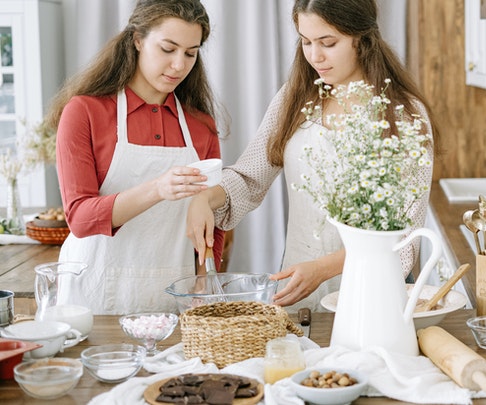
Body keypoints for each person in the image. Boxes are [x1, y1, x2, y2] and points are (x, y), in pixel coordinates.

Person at [186, 0, 440, 313]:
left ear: (362, 38)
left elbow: (403, 239)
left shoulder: (405, 115)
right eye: (306, 42)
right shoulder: (295, 97)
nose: (315, 57)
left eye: (328, 43)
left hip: (372, 296)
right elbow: (250, 177)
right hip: (298, 293)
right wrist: (207, 198)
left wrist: (322, 269)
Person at [45, 0, 225, 315]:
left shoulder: (201, 125)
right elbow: (81, 218)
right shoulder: (85, 112)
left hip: (174, 297)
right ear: (137, 40)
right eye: (168, 49)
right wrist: (158, 189)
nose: (179, 65)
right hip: (94, 297)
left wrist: (203, 281)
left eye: (190, 53)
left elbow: (213, 215)